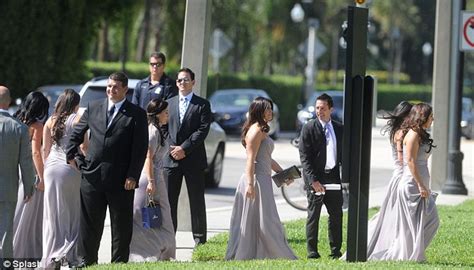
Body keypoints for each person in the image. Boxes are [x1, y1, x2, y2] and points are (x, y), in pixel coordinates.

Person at [66, 72, 148, 266]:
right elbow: (74, 136)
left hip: (121, 181)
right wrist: (75, 158)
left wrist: (133, 175)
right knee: (89, 225)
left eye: (116, 87)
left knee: (121, 226)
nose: (111, 90)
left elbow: (140, 148)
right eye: (109, 86)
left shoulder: (136, 114)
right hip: (92, 177)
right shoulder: (94, 108)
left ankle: (118, 263)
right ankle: (86, 262)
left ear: (125, 90)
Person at [225, 97, 297, 260]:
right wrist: (250, 185)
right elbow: (251, 159)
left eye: (271, 108)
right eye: (267, 109)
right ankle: (273, 253)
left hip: (263, 178)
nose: (271, 112)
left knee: (263, 218)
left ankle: (263, 251)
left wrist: (283, 174)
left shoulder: (262, 129)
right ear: (259, 111)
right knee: (267, 219)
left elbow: (266, 158)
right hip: (256, 180)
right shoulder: (256, 130)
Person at [370, 102, 439, 261]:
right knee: (410, 226)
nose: (433, 119)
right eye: (430, 116)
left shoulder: (419, 133)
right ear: (423, 117)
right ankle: (405, 255)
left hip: (419, 183)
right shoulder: (412, 134)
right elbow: (409, 161)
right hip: (410, 184)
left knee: (424, 222)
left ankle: (414, 253)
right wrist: (421, 185)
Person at [163, 67, 211, 245]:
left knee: (197, 201)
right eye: (179, 80)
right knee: (169, 202)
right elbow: (162, 128)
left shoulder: (202, 104)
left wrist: (184, 148)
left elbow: (202, 130)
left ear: (193, 82)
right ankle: (168, 239)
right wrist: (172, 148)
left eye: (185, 80)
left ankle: (200, 239)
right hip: (171, 160)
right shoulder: (169, 103)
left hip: (193, 159)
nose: (182, 83)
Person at [129, 98, 176, 261]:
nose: (168, 115)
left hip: (157, 177)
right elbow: (148, 157)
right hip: (150, 178)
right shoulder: (152, 131)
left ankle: (161, 253)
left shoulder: (157, 130)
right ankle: (144, 254)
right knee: (145, 218)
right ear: (157, 114)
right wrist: (151, 181)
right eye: (165, 112)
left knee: (160, 218)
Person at [365, 101, 413, 259]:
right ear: (404, 115)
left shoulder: (397, 131)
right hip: (400, 175)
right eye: (410, 114)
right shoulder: (401, 133)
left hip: (398, 174)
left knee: (394, 213)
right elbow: (402, 160)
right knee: (396, 214)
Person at [298, 93, 343, 259]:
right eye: (317, 108)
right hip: (316, 178)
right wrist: (313, 181)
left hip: (333, 178)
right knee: (313, 216)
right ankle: (312, 251)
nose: (319, 111)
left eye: (323, 108)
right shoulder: (309, 127)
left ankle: (335, 251)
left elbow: (343, 154)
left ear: (331, 109)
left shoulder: (339, 128)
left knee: (336, 216)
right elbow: (305, 157)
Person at [41, 89, 83, 268]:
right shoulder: (78, 120)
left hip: (51, 168)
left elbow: (45, 149)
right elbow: (84, 147)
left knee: (52, 213)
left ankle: (51, 253)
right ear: (75, 104)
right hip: (70, 168)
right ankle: (67, 252)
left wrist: (45, 170)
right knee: (72, 211)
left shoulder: (50, 121)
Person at [0, 86, 35, 262]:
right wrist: (29, 187)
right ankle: (4, 263)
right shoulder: (19, 128)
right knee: (6, 228)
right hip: (8, 186)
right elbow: (26, 162)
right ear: (9, 102)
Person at [13, 91, 49, 259]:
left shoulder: (14, 121)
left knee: (14, 212)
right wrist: (42, 177)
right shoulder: (37, 127)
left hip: (13, 170)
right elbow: (36, 153)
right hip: (29, 172)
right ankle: (27, 253)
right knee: (30, 216)